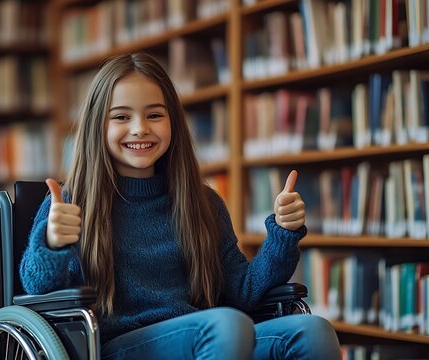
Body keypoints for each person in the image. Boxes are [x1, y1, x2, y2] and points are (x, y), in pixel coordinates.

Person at [19, 53, 340, 359]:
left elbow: (242, 291)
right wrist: (53, 243)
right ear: (97, 126)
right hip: (116, 347)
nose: (140, 128)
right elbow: (37, 287)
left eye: (154, 114)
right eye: (121, 116)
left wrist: (283, 234)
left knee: (312, 331)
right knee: (226, 327)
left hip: (205, 338)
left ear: (173, 122)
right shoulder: (73, 202)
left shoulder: (203, 203)